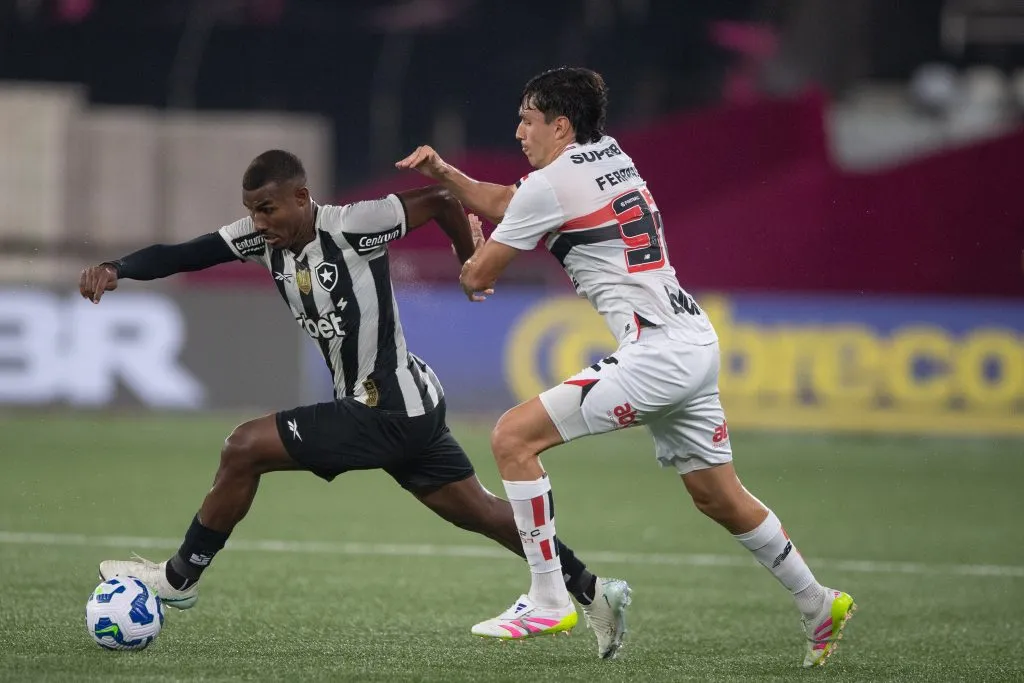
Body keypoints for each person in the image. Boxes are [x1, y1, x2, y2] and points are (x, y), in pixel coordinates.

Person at [81, 149, 631, 659]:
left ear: (301, 197)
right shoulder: (261, 239)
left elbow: (441, 201)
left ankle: (177, 580)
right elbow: (186, 254)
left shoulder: (352, 225)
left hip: (385, 409)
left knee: (243, 447)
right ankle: (592, 590)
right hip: (408, 410)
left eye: (268, 208)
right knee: (485, 514)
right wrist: (118, 268)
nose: (259, 221)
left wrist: (473, 267)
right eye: (251, 210)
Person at [396, 67, 856, 668]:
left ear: (560, 126)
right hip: (692, 339)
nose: (519, 132)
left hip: (656, 352)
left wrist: (469, 245)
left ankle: (547, 595)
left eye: (528, 120)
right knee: (718, 496)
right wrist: (447, 177)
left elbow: (478, 276)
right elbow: (515, 202)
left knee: (512, 437)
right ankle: (817, 602)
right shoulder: (609, 157)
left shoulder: (551, 184)